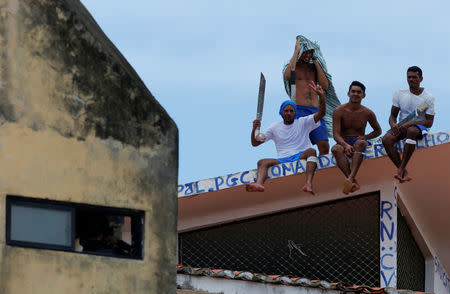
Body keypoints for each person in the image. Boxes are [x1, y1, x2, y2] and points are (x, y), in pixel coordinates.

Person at [246, 82, 325, 195]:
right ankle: (259, 184)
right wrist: (254, 129)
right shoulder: (274, 127)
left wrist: (321, 96)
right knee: (262, 162)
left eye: (291, 111)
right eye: (286, 111)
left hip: (301, 155)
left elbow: (321, 113)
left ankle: (308, 184)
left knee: (312, 151)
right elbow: (255, 143)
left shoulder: (303, 122)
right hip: (282, 159)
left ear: (295, 112)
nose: (288, 113)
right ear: (281, 113)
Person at [283, 35, 340, 155]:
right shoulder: (294, 66)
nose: (307, 55)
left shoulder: (313, 68)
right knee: (299, 144)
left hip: (315, 110)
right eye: (305, 52)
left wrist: (316, 61)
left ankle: (322, 171)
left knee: (324, 145)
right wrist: (296, 51)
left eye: (310, 53)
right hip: (299, 109)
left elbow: (325, 85)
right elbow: (288, 75)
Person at [381, 66, 435, 182]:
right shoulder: (399, 93)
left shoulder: (428, 98)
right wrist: (393, 124)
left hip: (419, 127)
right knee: (386, 139)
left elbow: (429, 122)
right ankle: (403, 171)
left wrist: (411, 123)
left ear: (421, 79)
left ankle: (400, 169)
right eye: (409, 77)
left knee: (412, 130)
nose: (411, 80)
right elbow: (392, 115)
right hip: (401, 127)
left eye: (414, 77)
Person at [331, 81, 381, 194]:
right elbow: (336, 134)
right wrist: (345, 145)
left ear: (363, 95)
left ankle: (350, 178)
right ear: (348, 93)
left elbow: (378, 131)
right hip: (343, 141)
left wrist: (366, 137)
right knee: (335, 149)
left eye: (359, 92)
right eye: (353, 91)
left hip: (358, 141)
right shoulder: (339, 111)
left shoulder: (368, 113)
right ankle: (352, 181)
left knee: (360, 143)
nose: (355, 94)